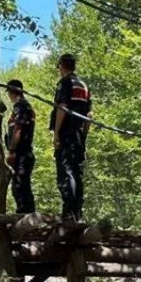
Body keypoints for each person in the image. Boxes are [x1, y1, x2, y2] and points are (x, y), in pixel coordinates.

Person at [51, 53, 91, 222]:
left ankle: (68, 214)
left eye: (58, 67)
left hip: (66, 133)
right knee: (77, 173)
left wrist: (57, 133)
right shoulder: (83, 85)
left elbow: (62, 108)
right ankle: (78, 213)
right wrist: (83, 136)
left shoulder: (65, 83)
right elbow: (89, 115)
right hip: (78, 134)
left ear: (62, 66)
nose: (58, 70)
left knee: (66, 172)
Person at [4, 79, 36, 213]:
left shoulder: (21, 106)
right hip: (22, 153)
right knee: (19, 186)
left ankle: (26, 216)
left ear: (11, 92)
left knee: (20, 186)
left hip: (21, 153)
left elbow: (18, 129)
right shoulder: (22, 107)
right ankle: (25, 214)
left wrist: (11, 151)